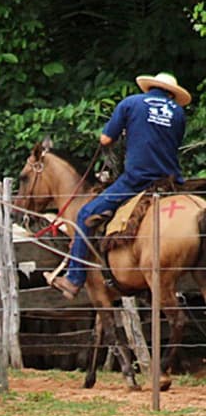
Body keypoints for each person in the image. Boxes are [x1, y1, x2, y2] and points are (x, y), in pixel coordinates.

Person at [51, 71, 190, 300]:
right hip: (170, 181)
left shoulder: (131, 103)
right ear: (172, 94)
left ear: (149, 88)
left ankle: (73, 279)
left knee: (86, 214)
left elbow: (105, 140)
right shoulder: (178, 113)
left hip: (137, 179)